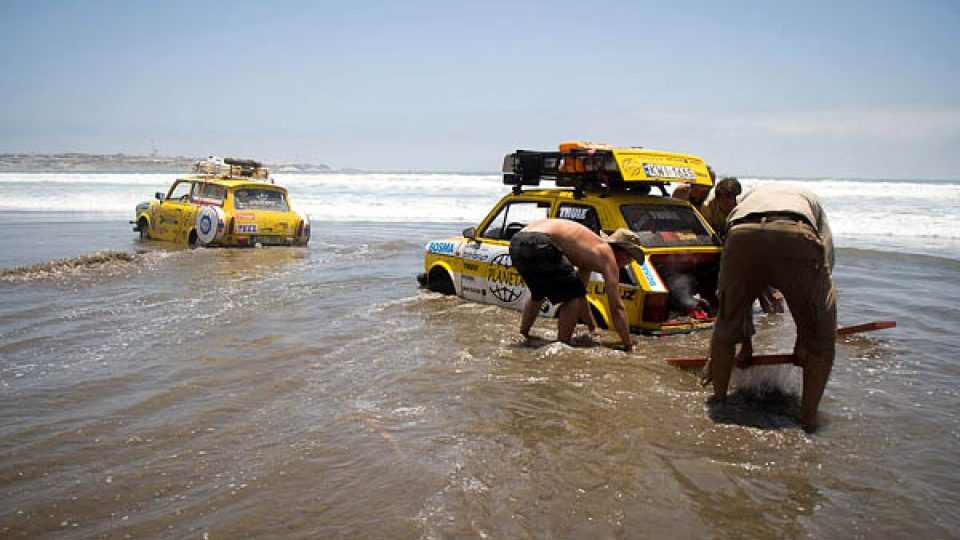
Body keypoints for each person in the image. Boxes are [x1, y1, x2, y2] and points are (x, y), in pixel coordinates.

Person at [708, 183, 836, 432]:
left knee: (725, 324)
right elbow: (825, 263)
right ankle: (808, 420)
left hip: (741, 233)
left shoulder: (746, 201)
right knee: (822, 338)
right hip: (795, 231)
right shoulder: (809, 200)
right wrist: (805, 341)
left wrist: (745, 347)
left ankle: (720, 402)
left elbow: (742, 299)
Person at [509, 219, 646, 352]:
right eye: (631, 258)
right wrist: (628, 344)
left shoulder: (590, 251)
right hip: (539, 241)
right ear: (623, 252)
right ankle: (562, 346)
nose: (629, 263)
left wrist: (593, 327)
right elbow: (616, 306)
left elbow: (580, 293)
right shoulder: (607, 256)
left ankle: (523, 335)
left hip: (517, 242)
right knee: (572, 297)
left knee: (538, 293)